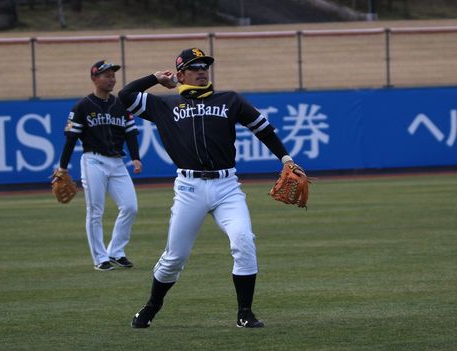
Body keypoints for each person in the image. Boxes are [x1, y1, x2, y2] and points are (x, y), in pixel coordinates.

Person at [118, 48, 304, 328]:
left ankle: (245, 313)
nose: (202, 70)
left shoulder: (229, 100)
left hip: (227, 186)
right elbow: (125, 96)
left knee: (243, 241)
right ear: (180, 74)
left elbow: (263, 129)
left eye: (204, 65)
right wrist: (155, 78)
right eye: (194, 67)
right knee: (174, 259)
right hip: (189, 188)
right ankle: (152, 306)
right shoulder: (165, 105)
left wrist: (286, 158)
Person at [56, 60, 142, 271]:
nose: (111, 79)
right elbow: (70, 139)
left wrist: (136, 157)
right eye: (106, 75)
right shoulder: (82, 107)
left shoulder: (120, 105)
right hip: (93, 161)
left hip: (118, 162)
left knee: (130, 207)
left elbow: (130, 133)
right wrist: (63, 167)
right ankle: (100, 258)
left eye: (113, 75)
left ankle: (116, 251)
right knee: (95, 210)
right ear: (95, 78)